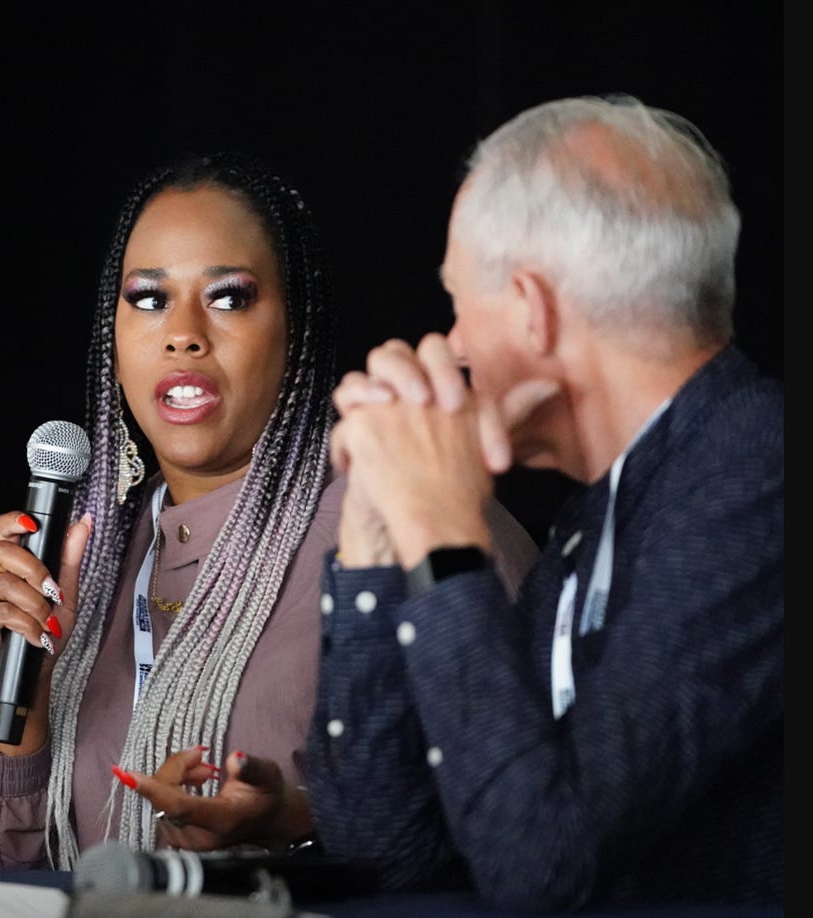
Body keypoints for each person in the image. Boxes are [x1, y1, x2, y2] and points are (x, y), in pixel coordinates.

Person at [122, 95, 782, 910]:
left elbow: (541, 867)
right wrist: (373, 539)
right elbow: (387, 847)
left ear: (533, 311)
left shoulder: (755, 476)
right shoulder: (605, 510)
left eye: (460, 302)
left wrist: (442, 533)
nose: (454, 345)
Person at [0, 151, 541, 869]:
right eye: (148, 299)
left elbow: (519, 830)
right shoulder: (86, 557)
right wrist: (18, 691)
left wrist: (299, 823)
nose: (182, 333)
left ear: (296, 328)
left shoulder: (408, 520)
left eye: (229, 298)